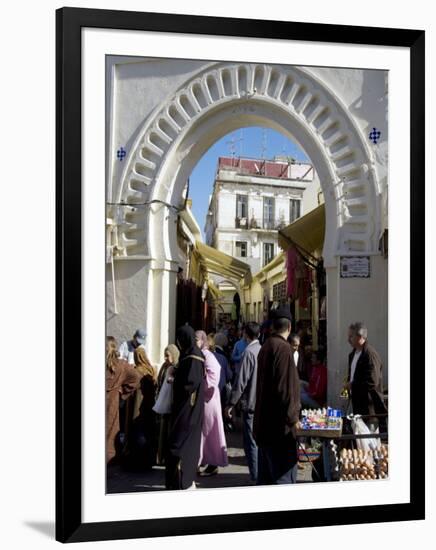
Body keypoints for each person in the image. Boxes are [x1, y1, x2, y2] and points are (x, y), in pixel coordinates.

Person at [254, 305, 301, 485]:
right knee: (282, 480)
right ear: (289, 327)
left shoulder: (266, 346)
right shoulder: (283, 349)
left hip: (264, 427)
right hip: (278, 431)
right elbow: (285, 389)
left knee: (266, 480)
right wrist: (293, 420)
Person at [165, 325, 205, 490]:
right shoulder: (190, 355)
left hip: (188, 410)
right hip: (189, 409)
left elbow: (190, 383)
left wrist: (175, 378)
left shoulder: (194, 357)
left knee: (180, 446)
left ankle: (183, 482)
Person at [225, 322, 261, 482]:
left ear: (246, 334)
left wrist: (231, 402)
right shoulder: (263, 350)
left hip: (251, 402)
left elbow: (241, 381)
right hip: (262, 402)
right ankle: (260, 473)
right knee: (259, 441)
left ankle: (256, 476)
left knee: (251, 441)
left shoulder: (249, 353)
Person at [195, 330, 229, 476]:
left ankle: (211, 463)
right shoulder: (201, 354)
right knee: (204, 433)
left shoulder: (207, 356)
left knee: (210, 433)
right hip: (205, 400)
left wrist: (199, 386)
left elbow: (213, 376)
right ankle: (200, 461)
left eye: (196, 339)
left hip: (208, 401)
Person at [345, 322, 387, 430]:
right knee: (360, 441)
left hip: (369, 407)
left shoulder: (370, 355)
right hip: (357, 404)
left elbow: (372, 381)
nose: (348, 339)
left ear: (360, 337)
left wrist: (353, 385)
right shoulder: (353, 354)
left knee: (370, 441)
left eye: (351, 336)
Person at [106, 336, 141, 464]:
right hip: (111, 404)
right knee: (110, 434)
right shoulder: (121, 365)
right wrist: (122, 391)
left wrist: (121, 391)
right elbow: (136, 378)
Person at [123, 344, 158, 470]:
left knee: (138, 433)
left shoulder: (136, 371)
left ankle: (137, 463)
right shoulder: (151, 370)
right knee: (148, 433)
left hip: (137, 407)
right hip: (149, 407)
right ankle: (148, 461)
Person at [154, 344, 180, 465]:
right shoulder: (165, 366)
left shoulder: (177, 367)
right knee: (162, 432)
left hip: (172, 404)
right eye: (164, 355)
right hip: (163, 404)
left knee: (170, 431)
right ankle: (161, 457)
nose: (165, 358)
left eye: (167, 355)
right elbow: (159, 381)